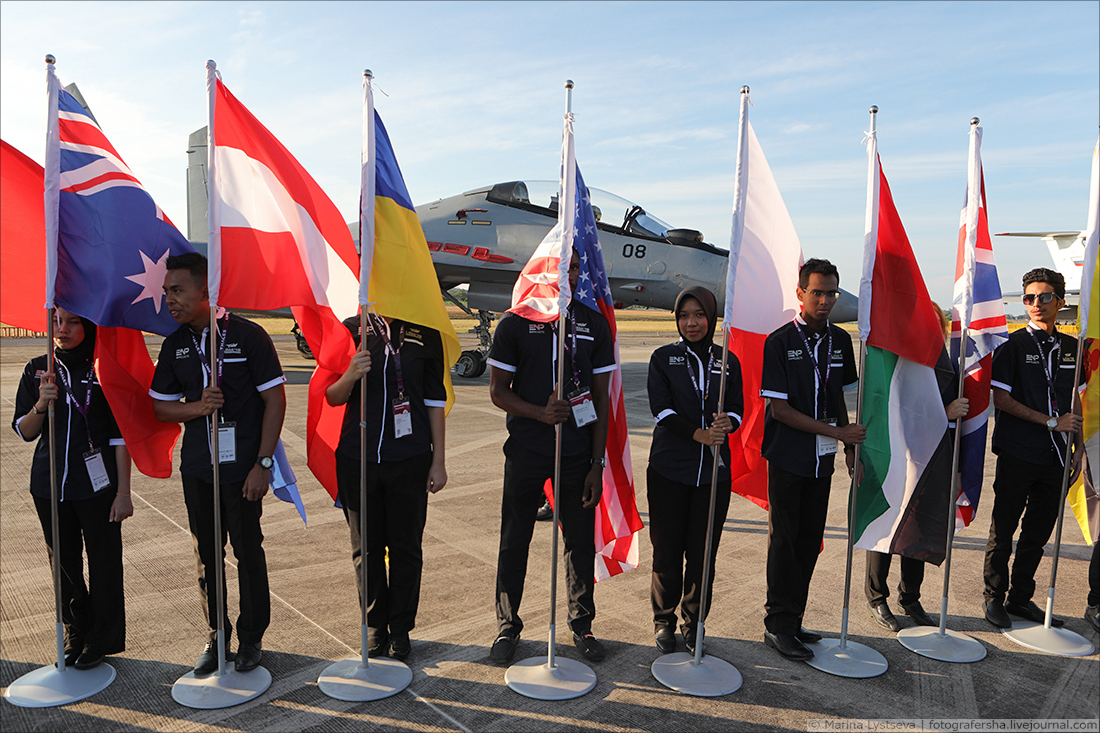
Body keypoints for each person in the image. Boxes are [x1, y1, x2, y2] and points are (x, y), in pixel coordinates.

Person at [150, 252, 286, 674]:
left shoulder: (248, 335)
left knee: (248, 552)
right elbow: (160, 407)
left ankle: (252, 637)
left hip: (243, 470)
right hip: (198, 470)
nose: (169, 300)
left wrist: (263, 464)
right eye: (166, 292)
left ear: (205, 290)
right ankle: (217, 637)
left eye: (177, 290)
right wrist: (197, 408)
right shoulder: (175, 345)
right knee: (206, 557)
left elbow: (275, 400)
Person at [485, 249, 614, 664]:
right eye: (561, 265)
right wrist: (540, 413)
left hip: (577, 455)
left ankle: (582, 625)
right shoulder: (515, 322)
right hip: (526, 451)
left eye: (574, 267)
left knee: (579, 541)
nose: (568, 273)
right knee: (514, 539)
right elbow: (498, 391)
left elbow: (601, 399)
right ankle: (508, 626)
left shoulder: (593, 323)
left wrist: (597, 464)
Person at [12, 308, 133, 670]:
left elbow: (120, 437)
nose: (62, 329)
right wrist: (41, 403)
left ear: (88, 325)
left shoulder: (103, 368)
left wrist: (123, 493)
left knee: (104, 562)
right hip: (49, 486)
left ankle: (101, 639)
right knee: (64, 563)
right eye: (56, 321)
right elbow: (24, 431)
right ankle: (74, 632)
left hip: (98, 487)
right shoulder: (38, 368)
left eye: (72, 322)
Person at [325, 311, 448, 661]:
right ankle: (375, 625)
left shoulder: (426, 331)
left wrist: (439, 461)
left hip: (410, 458)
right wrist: (352, 373)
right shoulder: (352, 329)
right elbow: (332, 396)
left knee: (406, 548)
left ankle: (401, 627)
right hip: (358, 458)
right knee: (366, 548)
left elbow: (434, 400)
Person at [759, 258, 864, 661]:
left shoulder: (840, 341)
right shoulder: (780, 342)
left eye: (831, 293)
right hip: (788, 456)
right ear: (800, 293)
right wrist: (838, 434)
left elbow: (837, 398)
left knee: (808, 542)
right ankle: (777, 624)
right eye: (817, 292)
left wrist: (849, 447)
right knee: (784, 541)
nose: (824, 300)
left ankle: (794, 617)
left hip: (823, 460)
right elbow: (780, 411)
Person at [983, 268, 1083, 629]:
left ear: (1060, 301)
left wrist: (1078, 447)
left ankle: (1021, 597)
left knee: (1037, 534)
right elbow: (1001, 399)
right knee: (1003, 530)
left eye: (1044, 297)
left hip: (1056, 456)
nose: (1036, 303)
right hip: (1018, 451)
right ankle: (993, 597)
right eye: (1029, 298)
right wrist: (1050, 422)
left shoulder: (1072, 348)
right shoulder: (1011, 345)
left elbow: (1076, 399)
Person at [646, 286, 742, 654]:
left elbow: (738, 406)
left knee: (702, 555)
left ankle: (694, 623)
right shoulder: (663, 358)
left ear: (711, 318)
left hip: (713, 476)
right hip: (669, 471)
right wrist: (698, 434)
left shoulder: (728, 360)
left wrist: (729, 422)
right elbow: (662, 410)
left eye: (699, 315)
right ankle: (663, 621)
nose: (691, 322)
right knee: (667, 552)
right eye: (684, 316)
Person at [864, 303, 969, 631]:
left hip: (933, 460)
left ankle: (910, 597)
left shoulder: (947, 367)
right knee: (887, 527)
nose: (930, 329)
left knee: (918, 528)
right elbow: (896, 413)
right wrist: (944, 413)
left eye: (936, 324)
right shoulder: (901, 364)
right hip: (899, 459)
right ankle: (877, 598)